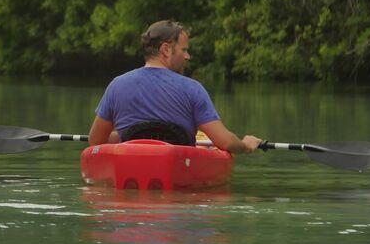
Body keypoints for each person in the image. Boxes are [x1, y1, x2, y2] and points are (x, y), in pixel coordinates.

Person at [87, 20, 263, 154]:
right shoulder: (193, 89)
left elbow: (95, 141)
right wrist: (246, 145)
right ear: (166, 49)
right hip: (179, 175)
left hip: (132, 172)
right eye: (184, 50)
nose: (187, 56)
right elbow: (226, 143)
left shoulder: (117, 85)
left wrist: (125, 137)